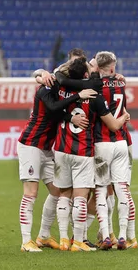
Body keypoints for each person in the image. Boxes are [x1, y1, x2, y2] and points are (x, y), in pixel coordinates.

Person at [53, 58, 130, 252]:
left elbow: (53, 106)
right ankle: (80, 239)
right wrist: (124, 118)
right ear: (86, 74)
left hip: (61, 149)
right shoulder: (95, 94)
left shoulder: (61, 90)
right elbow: (112, 124)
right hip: (84, 150)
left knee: (64, 194)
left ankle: (64, 239)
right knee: (86, 195)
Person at [17, 76, 97, 252]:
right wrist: (77, 97)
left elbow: (59, 111)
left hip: (46, 148)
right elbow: (53, 107)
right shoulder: (45, 89)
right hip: (31, 144)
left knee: (56, 191)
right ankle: (25, 241)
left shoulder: (59, 88)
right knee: (31, 193)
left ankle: (43, 236)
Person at [91, 51, 138, 250]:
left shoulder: (94, 87)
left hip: (102, 143)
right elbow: (117, 82)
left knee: (101, 190)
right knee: (122, 190)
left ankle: (106, 235)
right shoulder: (121, 84)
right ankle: (123, 236)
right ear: (112, 67)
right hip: (121, 143)